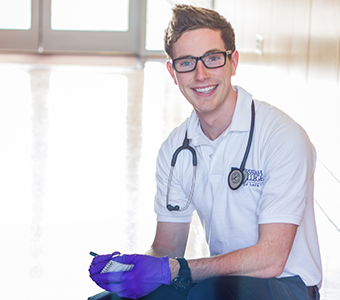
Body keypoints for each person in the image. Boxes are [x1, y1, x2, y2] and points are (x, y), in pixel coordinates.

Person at [88, 4, 322, 300]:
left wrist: (172, 270)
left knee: (208, 294)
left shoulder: (282, 137)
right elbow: (167, 249)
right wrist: (135, 268)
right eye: (186, 62)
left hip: (289, 285)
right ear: (173, 72)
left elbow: (272, 259)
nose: (201, 74)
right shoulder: (176, 149)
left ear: (233, 62)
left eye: (212, 59)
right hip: (220, 282)